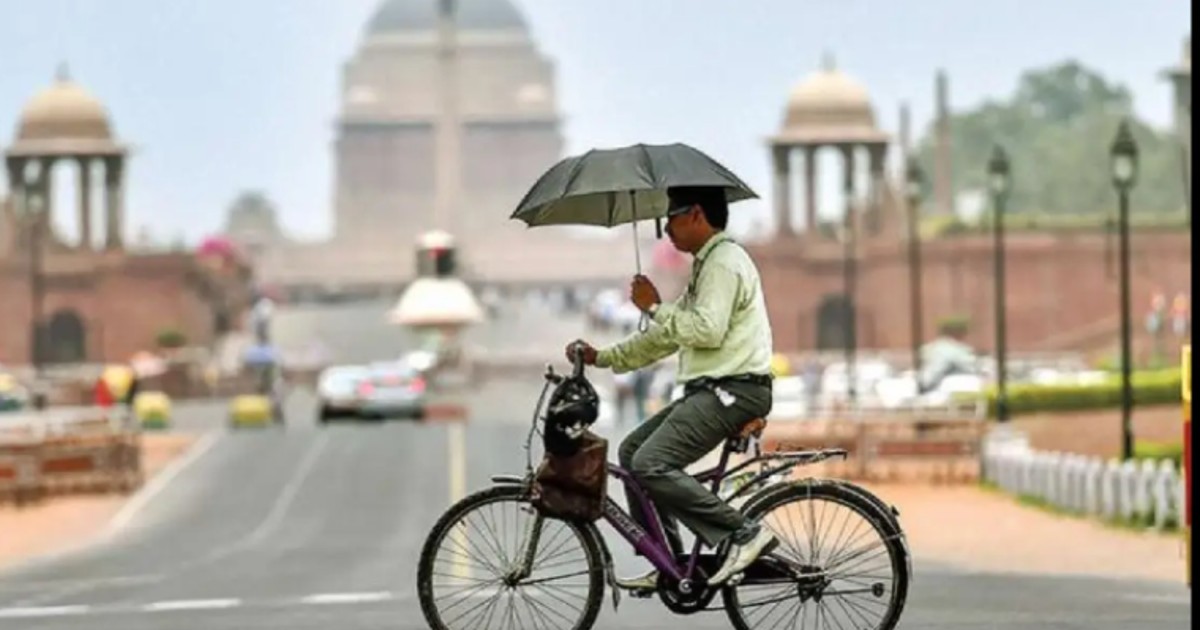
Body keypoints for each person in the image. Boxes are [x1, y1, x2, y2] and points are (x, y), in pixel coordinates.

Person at [567, 185, 775, 589]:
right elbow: (665, 337)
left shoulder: (725, 262)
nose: (665, 231)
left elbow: (706, 330)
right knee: (631, 452)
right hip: (714, 390)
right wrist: (603, 357)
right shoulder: (706, 265)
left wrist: (654, 307)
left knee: (650, 464)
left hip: (735, 391)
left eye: (670, 219)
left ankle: (744, 533)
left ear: (696, 214)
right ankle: (669, 560)